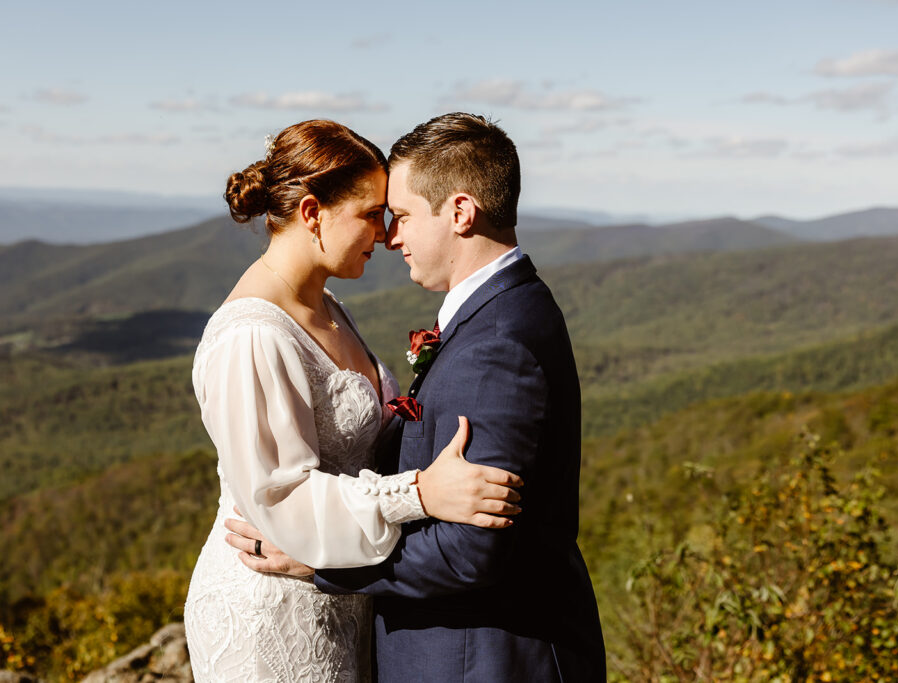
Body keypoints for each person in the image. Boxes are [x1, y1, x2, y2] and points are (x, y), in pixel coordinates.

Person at [228, 113, 607, 681]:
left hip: (479, 657)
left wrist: (318, 562)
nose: (391, 236)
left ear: (460, 212)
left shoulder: (494, 344)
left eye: (401, 216)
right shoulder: (507, 310)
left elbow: (471, 550)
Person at [183, 119, 524, 682]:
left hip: (336, 593)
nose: (387, 234)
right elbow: (283, 494)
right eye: (371, 214)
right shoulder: (252, 336)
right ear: (313, 213)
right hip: (272, 610)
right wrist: (419, 493)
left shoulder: (328, 305)